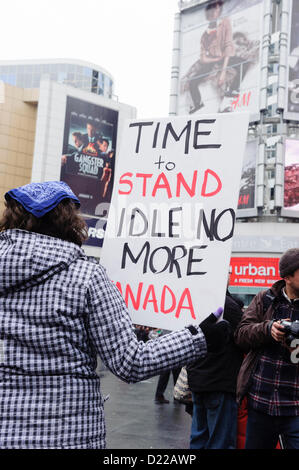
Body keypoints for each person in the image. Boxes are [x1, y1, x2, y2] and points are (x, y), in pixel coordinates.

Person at [0, 181, 229, 449]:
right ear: (67, 219)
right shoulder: (86, 277)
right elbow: (130, 361)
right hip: (67, 434)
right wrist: (198, 338)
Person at [235, 248, 299, 449]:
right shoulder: (265, 299)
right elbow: (241, 334)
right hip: (261, 401)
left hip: (296, 407)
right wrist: (268, 329)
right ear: (288, 277)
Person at [186, 269, 244, 449]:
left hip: (198, 379)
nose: (230, 275)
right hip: (219, 382)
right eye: (227, 271)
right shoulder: (227, 306)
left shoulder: (194, 300)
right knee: (220, 442)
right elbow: (244, 338)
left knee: (199, 438)